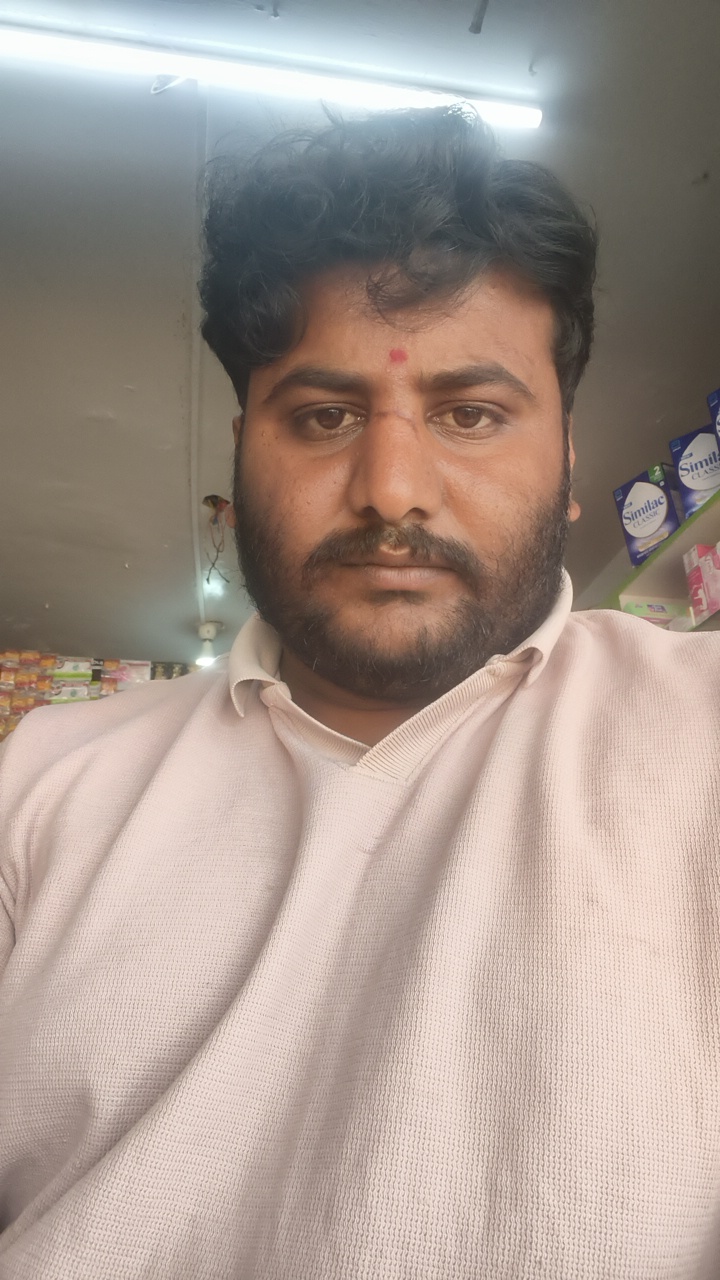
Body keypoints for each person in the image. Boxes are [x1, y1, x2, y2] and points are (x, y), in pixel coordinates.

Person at [0, 105, 719, 1280]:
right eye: (325, 416)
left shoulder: (702, 737)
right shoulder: (40, 783)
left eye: (470, 413)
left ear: (569, 459)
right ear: (244, 452)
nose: (391, 488)